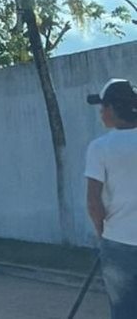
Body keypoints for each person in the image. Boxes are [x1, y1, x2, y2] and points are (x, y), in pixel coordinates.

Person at [85, 78, 137, 318]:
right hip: (118, 242)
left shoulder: (100, 147)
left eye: (103, 107)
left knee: (123, 311)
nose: (100, 112)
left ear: (114, 109)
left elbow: (94, 202)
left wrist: (102, 234)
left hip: (119, 243)